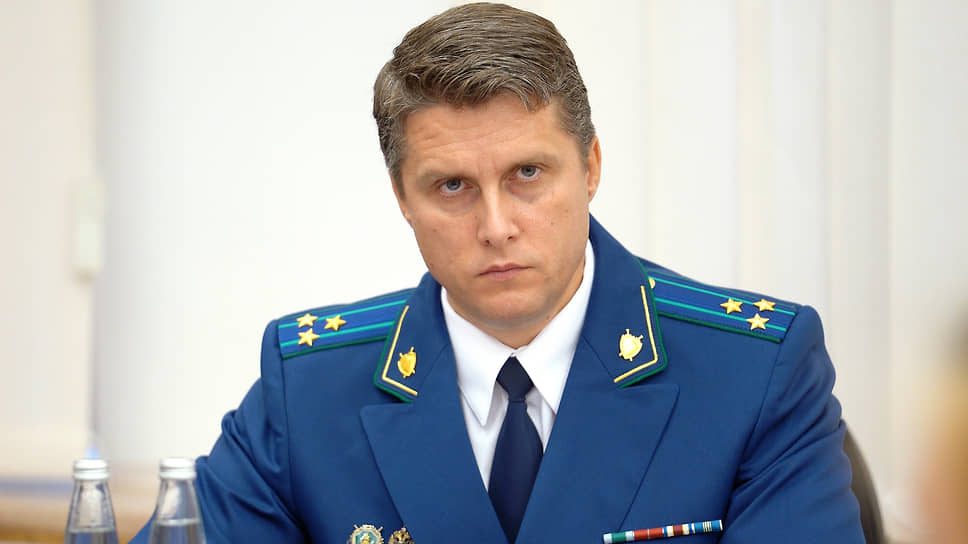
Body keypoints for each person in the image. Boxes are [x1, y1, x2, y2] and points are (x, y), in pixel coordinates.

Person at [131, 3, 864, 543]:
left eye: (528, 174)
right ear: (402, 199)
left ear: (591, 167)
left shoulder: (753, 372)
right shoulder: (310, 387)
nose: (496, 225)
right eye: (451, 186)